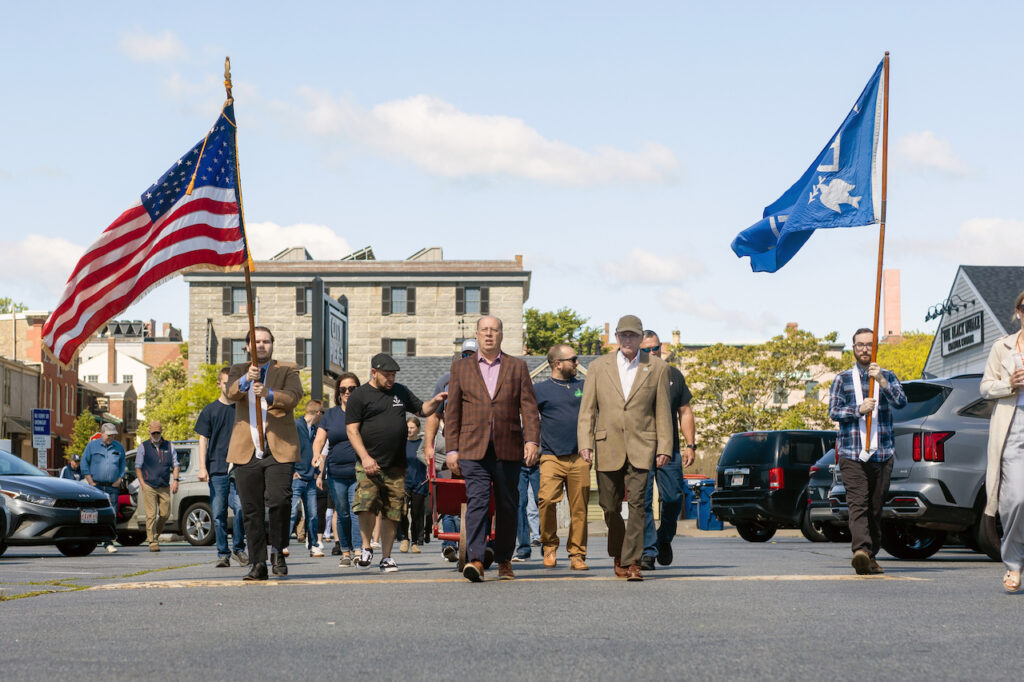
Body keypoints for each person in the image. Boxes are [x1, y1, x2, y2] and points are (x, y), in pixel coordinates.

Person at [445, 316, 541, 582]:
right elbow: (452, 412)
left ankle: (504, 560)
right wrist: (451, 449)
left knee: (508, 505)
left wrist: (532, 440)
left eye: (494, 330)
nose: (489, 334)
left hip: (508, 447)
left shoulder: (517, 366)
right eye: (484, 330)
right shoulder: (461, 368)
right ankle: (475, 559)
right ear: (477, 334)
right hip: (472, 448)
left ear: (501, 335)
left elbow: (529, 408)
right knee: (477, 501)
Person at [577, 315, 672, 581]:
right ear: (617, 337)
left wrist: (664, 446)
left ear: (641, 338)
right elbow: (587, 410)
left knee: (639, 504)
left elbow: (663, 411)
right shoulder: (598, 367)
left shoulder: (657, 367)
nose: (628, 339)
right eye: (624, 335)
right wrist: (585, 443)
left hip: (643, 444)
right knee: (609, 506)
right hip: (607, 445)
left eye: (633, 335)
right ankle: (618, 551)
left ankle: (633, 562)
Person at [346, 353, 445, 572]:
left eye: (393, 375)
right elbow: (352, 431)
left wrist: (436, 401)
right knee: (366, 505)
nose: (391, 379)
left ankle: (387, 557)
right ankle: (366, 547)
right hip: (368, 463)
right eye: (387, 375)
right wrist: (365, 457)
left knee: (393, 511)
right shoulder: (359, 396)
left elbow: (422, 410)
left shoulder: (400, 391)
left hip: (396, 465)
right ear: (374, 372)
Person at [226, 326, 304, 581]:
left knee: (280, 501)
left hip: (278, 448)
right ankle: (258, 563)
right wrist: (246, 380)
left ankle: (278, 550)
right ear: (247, 346)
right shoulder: (238, 370)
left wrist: (269, 393)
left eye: (266, 341)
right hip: (246, 449)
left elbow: (294, 397)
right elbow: (230, 393)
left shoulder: (287, 369)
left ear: (272, 344)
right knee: (251, 510)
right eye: (256, 341)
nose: (261, 345)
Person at [828, 327, 907, 576]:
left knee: (875, 507)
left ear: (875, 348)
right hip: (851, 452)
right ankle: (860, 551)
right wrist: (858, 409)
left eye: (869, 344)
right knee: (858, 503)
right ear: (853, 348)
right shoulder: (842, 379)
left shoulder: (888, 376)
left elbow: (901, 402)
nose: (864, 349)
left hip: (882, 453)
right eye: (859, 345)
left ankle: (870, 556)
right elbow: (833, 412)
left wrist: (881, 381)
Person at [639, 330, 696, 571]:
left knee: (673, 498)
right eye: (646, 350)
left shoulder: (673, 375)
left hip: (669, 448)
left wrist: (690, 444)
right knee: (642, 502)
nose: (652, 353)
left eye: (656, 348)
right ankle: (648, 552)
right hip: (640, 448)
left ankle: (664, 538)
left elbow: (685, 411)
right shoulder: (632, 376)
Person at [980, 291, 1024, 592]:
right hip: (1014, 427)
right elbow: (985, 388)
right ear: (1018, 312)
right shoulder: (1002, 346)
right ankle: (1014, 563)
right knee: (1016, 499)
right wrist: (1008, 384)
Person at [534, 344, 590, 570]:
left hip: (580, 456)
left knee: (580, 508)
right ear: (557, 363)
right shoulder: (540, 390)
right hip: (551, 456)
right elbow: (527, 417)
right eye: (573, 359)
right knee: (546, 500)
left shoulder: (584, 386)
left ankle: (577, 554)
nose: (577, 363)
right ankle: (549, 545)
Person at [424, 339, 479, 561]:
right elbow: (434, 415)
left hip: (479, 447)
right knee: (449, 495)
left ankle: (487, 544)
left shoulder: (490, 378)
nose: (468, 359)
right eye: (465, 355)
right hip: (452, 447)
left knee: (483, 495)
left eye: (472, 355)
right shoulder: (446, 381)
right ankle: (449, 544)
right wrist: (428, 445)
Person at [195, 367, 248, 568]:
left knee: (241, 508)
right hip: (217, 469)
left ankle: (238, 549)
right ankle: (223, 554)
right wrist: (202, 467)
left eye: (232, 383)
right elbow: (203, 439)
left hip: (238, 467)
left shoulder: (241, 409)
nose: (229, 387)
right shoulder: (210, 410)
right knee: (218, 514)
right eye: (226, 383)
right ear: (219, 384)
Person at [315, 373, 362, 567]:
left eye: (352, 388)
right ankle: (345, 551)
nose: (347, 392)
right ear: (338, 392)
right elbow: (319, 439)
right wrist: (316, 455)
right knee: (342, 513)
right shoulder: (330, 415)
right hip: (335, 472)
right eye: (343, 389)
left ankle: (358, 551)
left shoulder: (363, 413)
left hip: (358, 471)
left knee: (355, 511)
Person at [81, 423, 126, 553]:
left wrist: (119, 479)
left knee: (112, 515)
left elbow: (123, 465)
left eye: (113, 435)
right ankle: (91, 540)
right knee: (92, 514)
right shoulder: (92, 446)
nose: (111, 437)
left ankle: (108, 542)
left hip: (112, 487)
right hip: (96, 487)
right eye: (108, 435)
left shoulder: (119, 447)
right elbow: (84, 463)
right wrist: (90, 481)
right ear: (102, 433)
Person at [135, 420, 180, 552]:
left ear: (161, 432)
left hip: (164, 485)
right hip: (149, 485)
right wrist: (142, 483)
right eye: (153, 433)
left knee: (165, 514)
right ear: (149, 432)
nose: (155, 435)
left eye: (157, 433)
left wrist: (175, 481)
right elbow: (138, 467)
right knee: (151, 515)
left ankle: (155, 535)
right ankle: (153, 542)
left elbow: (176, 465)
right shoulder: (143, 447)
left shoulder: (169, 446)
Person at [290, 400, 324, 557]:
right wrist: (292, 470)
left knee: (312, 514)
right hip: (297, 477)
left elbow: (317, 453)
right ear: (317, 413)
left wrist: (317, 472)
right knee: (291, 512)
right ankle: (283, 545)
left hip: (310, 478)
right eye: (322, 413)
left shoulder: (316, 430)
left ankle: (313, 545)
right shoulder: (297, 426)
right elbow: (289, 448)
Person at [399, 417, 428, 553]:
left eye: (412, 427)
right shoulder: (400, 444)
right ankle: (405, 538)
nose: (409, 430)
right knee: (403, 512)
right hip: (404, 482)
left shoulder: (423, 444)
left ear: (418, 429)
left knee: (416, 514)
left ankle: (415, 541)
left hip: (419, 482)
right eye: (408, 427)